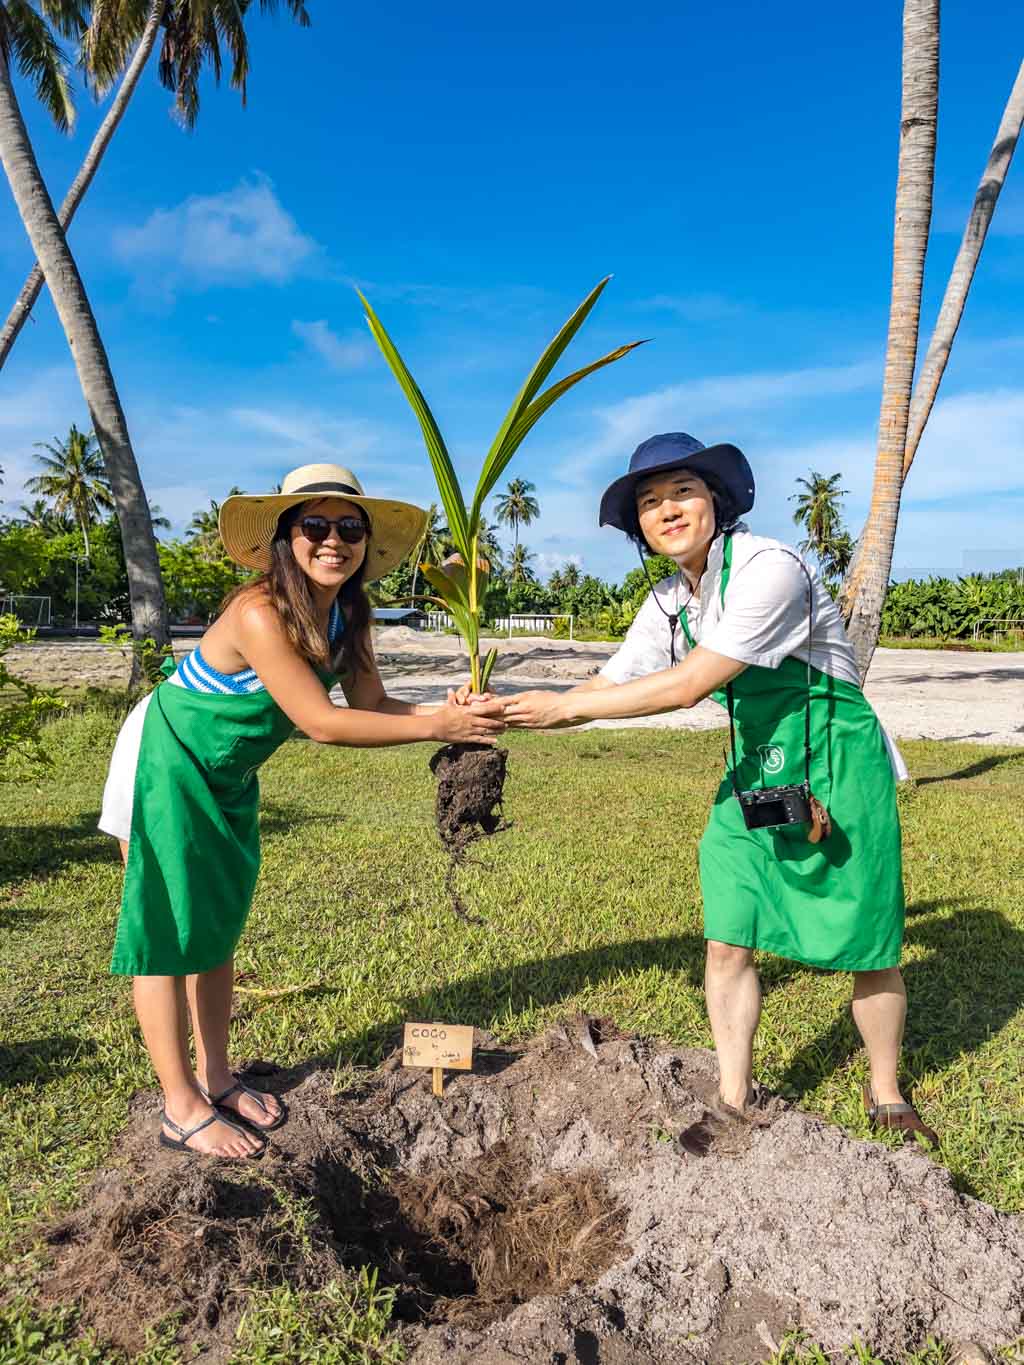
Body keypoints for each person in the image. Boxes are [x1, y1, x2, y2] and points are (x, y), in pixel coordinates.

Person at [504, 433, 937, 1147]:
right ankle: (735, 1093)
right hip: (760, 768)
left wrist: (567, 709)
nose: (665, 510)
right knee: (728, 932)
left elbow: (688, 684)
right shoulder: (674, 599)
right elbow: (607, 683)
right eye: (648, 502)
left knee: (870, 941)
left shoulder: (772, 568)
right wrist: (502, 713)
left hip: (835, 757)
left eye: (681, 492)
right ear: (638, 526)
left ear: (717, 500)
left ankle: (884, 1084)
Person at [100, 463, 504, 1160]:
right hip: (163, 761)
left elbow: (371, 707)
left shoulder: (348, 614)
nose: (333, 540)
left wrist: (447, 712)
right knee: (167, 931)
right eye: (314, 525)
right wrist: (440, 730)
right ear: (286, 538)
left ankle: (218, 1077)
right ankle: (181, 1104)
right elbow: (321, 722)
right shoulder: (260, 612)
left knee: (217, 927)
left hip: (226, 774)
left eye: (350, 528)